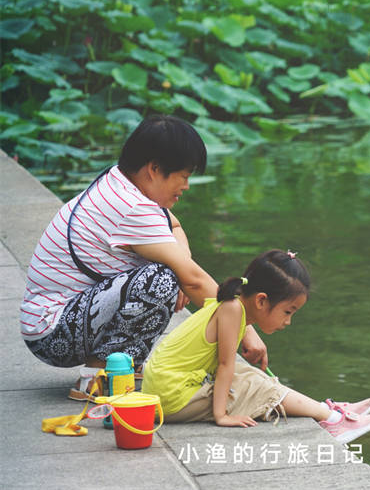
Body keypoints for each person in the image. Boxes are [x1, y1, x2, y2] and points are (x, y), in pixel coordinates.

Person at [19, 115, 269, 399]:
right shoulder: (131, 207)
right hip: (52, 332)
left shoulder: (119, 182)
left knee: (172, 270)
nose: (186, 186)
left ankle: (124, 366)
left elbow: (174, 226)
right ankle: (97, 377)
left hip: (58, 320)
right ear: (154, 169)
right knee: (161, 279)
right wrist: (243, 326)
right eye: (184, 176)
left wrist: (179, 260)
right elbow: (196, 281)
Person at [142, 249, 370, 443]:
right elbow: (225, 365)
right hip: (171, 397)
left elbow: (226, 366)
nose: (288, 321)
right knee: (257, 386)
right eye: (288, 312)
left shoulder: (232, 305)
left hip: (166, 387)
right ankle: (332, 420)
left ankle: (325, 410)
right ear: (261, 300)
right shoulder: (232, 310)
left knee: (247, 373)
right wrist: (221, 416)